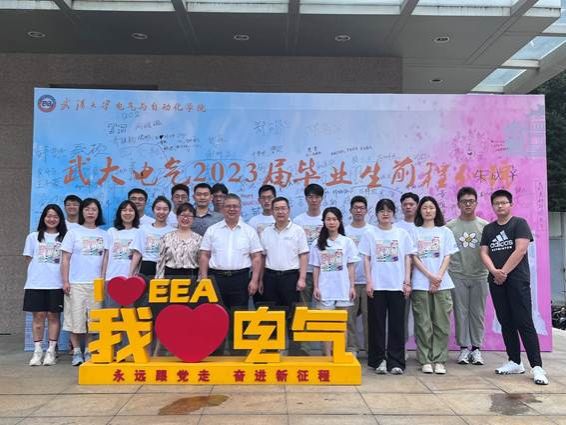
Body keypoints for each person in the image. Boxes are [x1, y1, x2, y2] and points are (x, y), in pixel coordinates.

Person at [480, 189, 548, 385]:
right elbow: (483, 252)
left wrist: (503, 272)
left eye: (503, 202)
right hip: (496, 281)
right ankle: (514, 361)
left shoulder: (519, 224)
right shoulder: (489, 229)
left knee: (524, 322)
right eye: (496, 203)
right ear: (492, 206)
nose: (500, 206)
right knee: (506, 321)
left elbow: (521, 250)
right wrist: (495, 272)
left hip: (517, 281)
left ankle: (537, 367)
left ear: (510, 204)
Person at [199, 194, 263, 352]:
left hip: (240, 279)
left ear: (240, 208)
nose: (232, 209)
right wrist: (204, 279)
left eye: (235, 206)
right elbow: (204, 255)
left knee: (239, 316)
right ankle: (216, 352)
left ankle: (238, 352)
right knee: (215, 316)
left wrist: (254, 280)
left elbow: (256, 257)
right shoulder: (213, 230)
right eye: (228, 206)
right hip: (216, 279)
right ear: (222, 208)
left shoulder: (249, 231)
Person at [360, 199, 415, 374]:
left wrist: (407, 281)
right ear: (376, 214)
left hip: (397, 286)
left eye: (389, 211)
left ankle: (396, 361)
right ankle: (378, 361)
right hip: (377, 286)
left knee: (397, 325)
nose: (385, 214)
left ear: (393, 214)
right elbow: (366, 258)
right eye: (382, 210)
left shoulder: (402, 234)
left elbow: (407, 258)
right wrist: (369, 281)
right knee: (376, 325)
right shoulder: (370, 233)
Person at [411, 196, 458, 375]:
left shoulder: (445, 232)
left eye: (431, 207)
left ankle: (439, 359)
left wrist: (438, 277)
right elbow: (414, 257)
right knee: (423, 324)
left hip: (442, 284)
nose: (428, 210)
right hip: (420, 283)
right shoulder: (414, 232)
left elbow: (447, 256)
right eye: (424, 208)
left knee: (441, 324)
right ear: (420, 211)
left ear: (436, 210)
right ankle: (425, 360)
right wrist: (430, 276)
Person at [60, 198, 109, 366]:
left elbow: (105, 260)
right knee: (75, 319)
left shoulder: (104, 234)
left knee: (93, 320)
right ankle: (76, 352)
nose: (90, 212)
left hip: (95, 284)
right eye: (87, 209)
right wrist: (65, 281)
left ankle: (89, 350)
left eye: (94, 209)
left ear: (98, 213)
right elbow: (65, 259)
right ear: (82, 212)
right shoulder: (73, 233)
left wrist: (102, 280)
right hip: (76, 283)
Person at [260, 196, 309, 354]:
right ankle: (272, 348)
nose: (280, 212)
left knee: (293, 314)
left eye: (283, 208)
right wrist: (260, 279)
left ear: (289, 210)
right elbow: (262, 257)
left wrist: (302, 278)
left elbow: (303, 255)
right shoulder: (266, 232)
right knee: (271, 314)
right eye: (277, 209)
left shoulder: (297, 230)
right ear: (272, 211)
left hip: (291, 278)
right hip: (270, 277)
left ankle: (295, 350)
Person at [446, 187, 489, 365]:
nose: (468, 204)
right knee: (460, 313)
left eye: (471, 201)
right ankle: (464, 348)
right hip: (457, 275)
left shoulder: (485, 226)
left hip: (480, 275)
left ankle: (476, 349)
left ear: (476, 203)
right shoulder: (449, 227)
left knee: (478, 313)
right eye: (464, 201)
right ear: (458, 204)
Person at [310, 207, 358, 356]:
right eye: (328, 219)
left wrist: (352, 287)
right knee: (326, 326)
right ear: (324, 222)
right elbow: (316, 267)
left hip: (343, 288)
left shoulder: (347, 242)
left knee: (342, 325)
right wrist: (316, 287)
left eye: (334, 219)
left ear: (340, 221)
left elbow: (351, 266)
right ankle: (327, 356)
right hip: (325, 289)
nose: (331, 222)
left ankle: (339, 355)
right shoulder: (317, 243)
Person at [23, 204, 67, 366]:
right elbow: (28, 259)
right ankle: (37, 351)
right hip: (36, 284)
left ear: (60, 219)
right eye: (49, 216)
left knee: (54, 317)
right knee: (38, 316)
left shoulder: (65, 238)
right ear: (43, 218)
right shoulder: (33, 237)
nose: (52, 219)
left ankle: (51, 351)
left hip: (56, 284)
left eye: (55, 216)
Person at [344, 195, 375, 355]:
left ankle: (371, 349)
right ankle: (352, 348)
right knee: (349, 318)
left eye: (361, 208)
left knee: (370, 318)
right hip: (350, 282)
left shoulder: (372, 231)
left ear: (366, 211)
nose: (358, 210)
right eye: (355, 208)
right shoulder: (345, 231)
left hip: (369, 281)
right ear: (350, 210)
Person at [294, 183, 325, 306]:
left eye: (317, 197)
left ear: (321, 198)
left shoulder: (327, 218)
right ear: (306, 199)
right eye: (310, 197)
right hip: (304, 271)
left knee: (322, 307)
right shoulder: (298, 220)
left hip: (323, 270)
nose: (314, 200)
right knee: (303, 306)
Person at [130, 196, 175, 279]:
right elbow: (137, 253)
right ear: (153, 210)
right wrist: (130, 273)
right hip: (147, 266)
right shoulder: (143, 229)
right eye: (158, 209)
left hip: (166, 267)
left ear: (169, 211)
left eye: (165, 209)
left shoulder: (173, 231)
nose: (161, 212)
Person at [395, 192, 419, 349]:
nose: (408, 207)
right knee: (401, 314)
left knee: (422, 314)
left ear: (417, 206)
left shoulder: (423, 226)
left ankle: (422, 347)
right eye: (405, 204)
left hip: (422, 275)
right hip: (403, 276)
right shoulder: (396, 227)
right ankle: (401, 347)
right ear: (401, 207)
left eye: (411, 204)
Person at [105, 200, 140, 307]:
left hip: (130, 280)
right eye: (124, 210)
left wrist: (130, 275)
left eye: (131, 210)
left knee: (130, 312)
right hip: (111, 277)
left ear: (135, 213)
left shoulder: (139, 232)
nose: (127, 213)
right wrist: (103, 275)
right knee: (112, 312)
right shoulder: (111, 231)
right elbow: (106, 255)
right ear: (119, 213)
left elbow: (137, 254)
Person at [156, 202, 202, 280]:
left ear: (194, 218)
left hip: (191, 277)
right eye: (183, 215)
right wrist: (159, 281)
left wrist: (200, 281)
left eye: (189, 216)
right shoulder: (166, 237)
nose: (185, 218)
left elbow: (201, 262)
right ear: (177, 217)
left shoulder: (199, 239)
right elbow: (161, 261)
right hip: (170, 277)